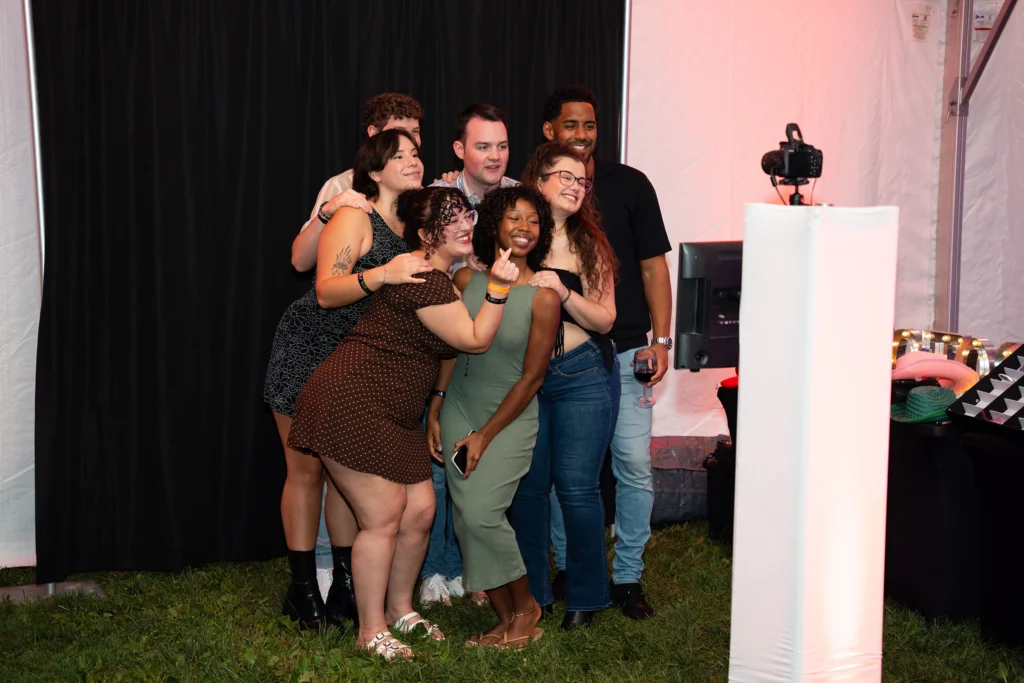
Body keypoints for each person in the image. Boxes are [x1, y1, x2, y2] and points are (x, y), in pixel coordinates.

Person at [287, 185, 520, 660]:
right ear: (425, 235)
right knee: (384, 516)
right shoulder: (426, 280)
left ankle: (399, 609)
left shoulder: (435, 274)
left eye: (466, 214)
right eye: (449, 219)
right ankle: (369, 629)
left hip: (394, 412)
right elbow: (474, 339)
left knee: (420, 512)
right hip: (353, 402)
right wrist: (498, 285)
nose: (464, 224)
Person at [264, 129, 432, 630]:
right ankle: (301, 591)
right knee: (307, 473)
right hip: (308, 350)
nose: (413, 161)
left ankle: (343, 583)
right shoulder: (355, 215)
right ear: (374, 172)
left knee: (346, 479)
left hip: (356, 366)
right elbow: (325, 290)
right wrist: (382, 275)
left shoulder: (412, 229)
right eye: (398, 155)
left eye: (417, 153)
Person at [542, 85, 672, 620]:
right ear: (550, 131)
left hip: (624, 353)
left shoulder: (630, 184)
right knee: (565, 470)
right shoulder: (539, 191)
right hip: (565, 355)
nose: (581, 135)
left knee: (634, 466)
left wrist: (661, 340)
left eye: (589, 126)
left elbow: (653, 267)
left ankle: (628, 576)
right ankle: (572, 564)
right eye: (570, 125)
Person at [426, 186, 559, 648]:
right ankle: (505, 620)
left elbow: (532, 379)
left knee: (483, 514)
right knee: (466, 515)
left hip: (508, 418)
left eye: (533, 221)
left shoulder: (544, 297)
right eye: (513, 218)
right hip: (461, 404)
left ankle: (527, 607)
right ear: (495, 224)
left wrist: (484, 435)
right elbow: (454, 345)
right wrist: (438, 403)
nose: (523, 228)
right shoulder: (466, 282)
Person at [507, 141, 620, 632]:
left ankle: (587, 599)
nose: (576, 187)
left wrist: (562, 289)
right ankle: (533, 598)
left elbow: (606, 317)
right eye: (565, 177)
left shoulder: (590, 241)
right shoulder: (515, 233)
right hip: (525, 381)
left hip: (581, 375)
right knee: (528, 493)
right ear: (539, 178)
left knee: (577, 490)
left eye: (582, 181)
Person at [419, 103, 520, 606]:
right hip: (443, 348)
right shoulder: (437, 200)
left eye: (501, 145)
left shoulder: (518, 198)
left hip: (496, 350)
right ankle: (436, 571)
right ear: (460, 150)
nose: (495, 156)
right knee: (438, 465)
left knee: (478, 465)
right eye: (483, 146)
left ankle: (474, 572)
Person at [291, 93, 424, 272]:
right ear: (374, 133)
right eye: (397, 131)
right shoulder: (341, 186)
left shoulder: (420, 188)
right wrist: (327, 213)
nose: (411, 140)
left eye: (415, 131)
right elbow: (300, 262)